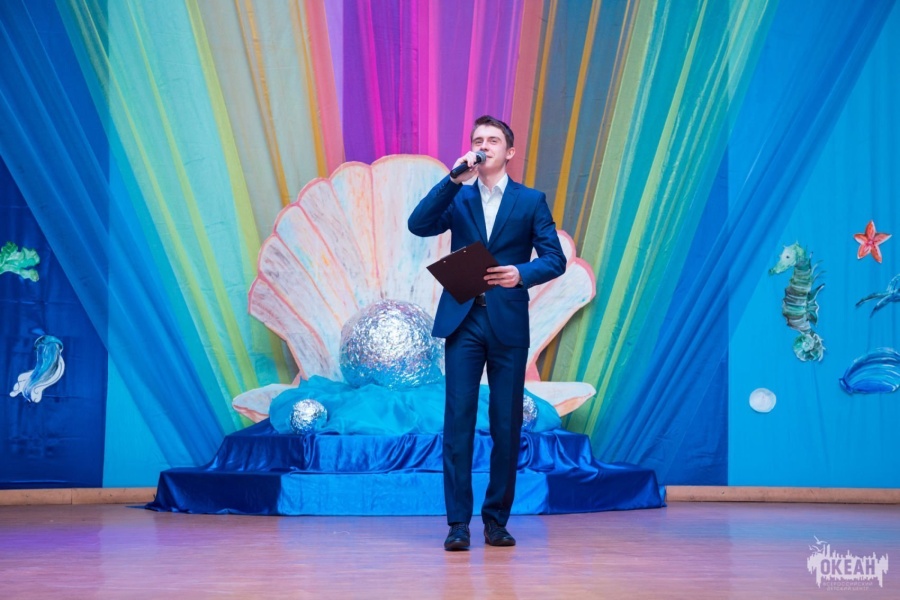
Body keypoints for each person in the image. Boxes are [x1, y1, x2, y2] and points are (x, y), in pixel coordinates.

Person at [408, 115, 566, 550]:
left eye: (493, 140)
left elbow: (554, 259)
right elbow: (418, 224)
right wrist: (452, 179)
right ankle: (458, 524)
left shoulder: (530, 201)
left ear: (509, 152)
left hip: (507, 320)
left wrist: (521, 273)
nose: (484, 145)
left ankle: (496, 520)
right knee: (457, 420)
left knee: (505, 423)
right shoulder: (458, 196)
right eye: (478, 139)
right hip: (464, 319)